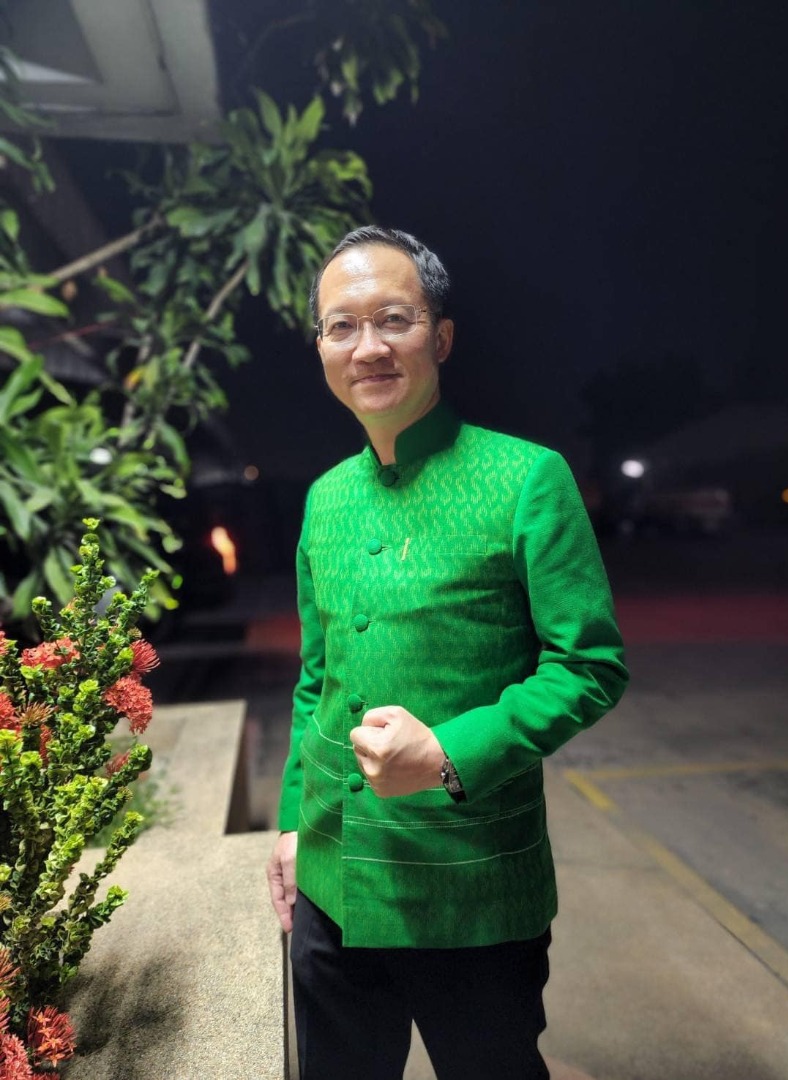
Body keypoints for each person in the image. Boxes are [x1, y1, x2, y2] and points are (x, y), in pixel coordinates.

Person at [267, 226, 628, 1080]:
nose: (368, 347)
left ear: (442, 336)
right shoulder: (325, 498)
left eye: (394, 319)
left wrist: (446, 754)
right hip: (330, 883)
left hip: (472, 893)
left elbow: (589, 666)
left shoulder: (524, 478)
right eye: (341, 326)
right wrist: (288, 825)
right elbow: (317, 678)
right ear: (321, 348)